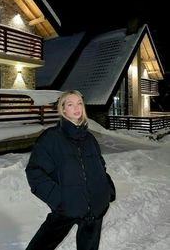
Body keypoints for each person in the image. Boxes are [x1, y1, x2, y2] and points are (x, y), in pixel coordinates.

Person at [25, 90, 116, 250]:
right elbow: (35, 172)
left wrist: (107, 189)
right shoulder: (51, 138)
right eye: (70, 104)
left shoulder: (89, 138)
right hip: (67, 206)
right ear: (63, 109)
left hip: (95, 208)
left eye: (79, 103)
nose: (76, 107)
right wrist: (59, 199)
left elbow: (100, 166)